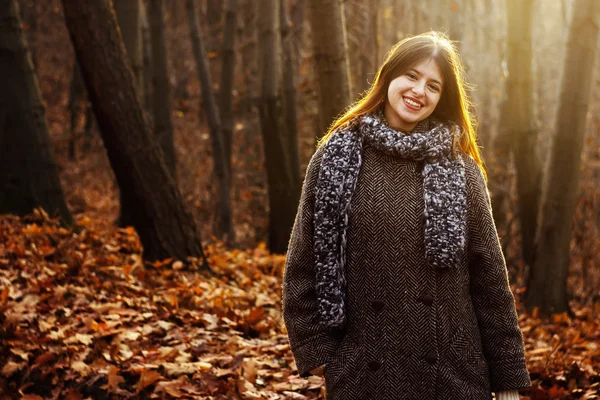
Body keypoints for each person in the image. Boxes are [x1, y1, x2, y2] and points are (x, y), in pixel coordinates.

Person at [282, 32, 531, 400]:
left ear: (441, 99)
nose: (419, 91)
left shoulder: (461, 170)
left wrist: (508, 377)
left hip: (453, 375)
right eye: (412, 76)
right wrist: (319, 352)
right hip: (362, 372)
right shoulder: (335, 157)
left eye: (433, 85)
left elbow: (490, 278)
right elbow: (303, 264)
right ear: (388, 78)